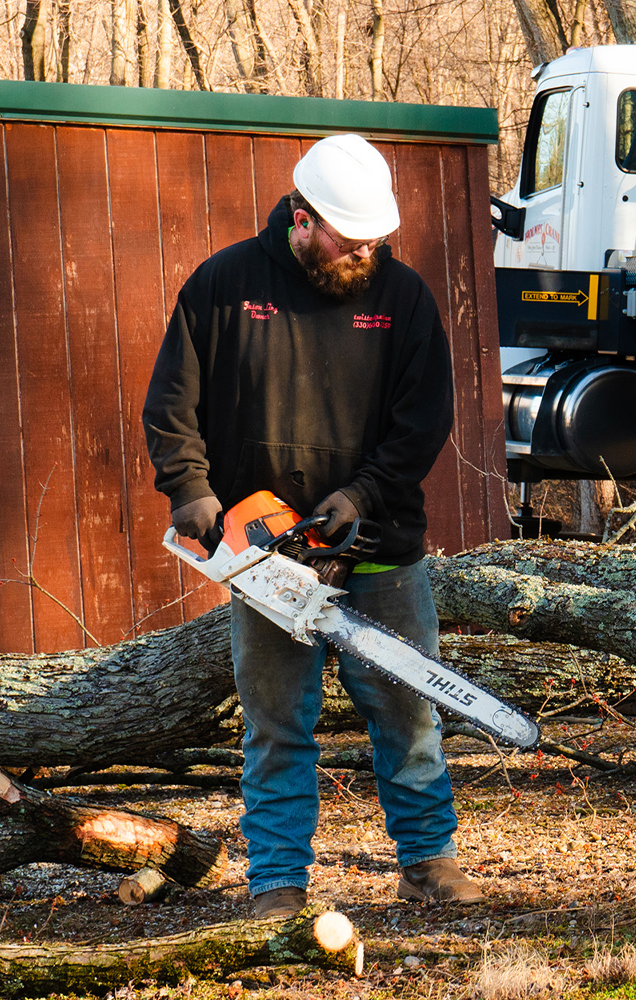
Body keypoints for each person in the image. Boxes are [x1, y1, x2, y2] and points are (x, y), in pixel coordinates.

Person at [143, 133, 480, 918]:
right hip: (268, 557)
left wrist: (363, 494)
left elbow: (421, 422)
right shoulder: (224, 287)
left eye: (373, 239)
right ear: (302, 217)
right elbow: (172, 406)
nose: (364, 251)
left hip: (380, 543)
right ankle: (280, 881)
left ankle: (427, 860)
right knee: (275, 723)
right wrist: (190, 490)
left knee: (407, 707)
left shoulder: (404, 300)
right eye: (347, 237)